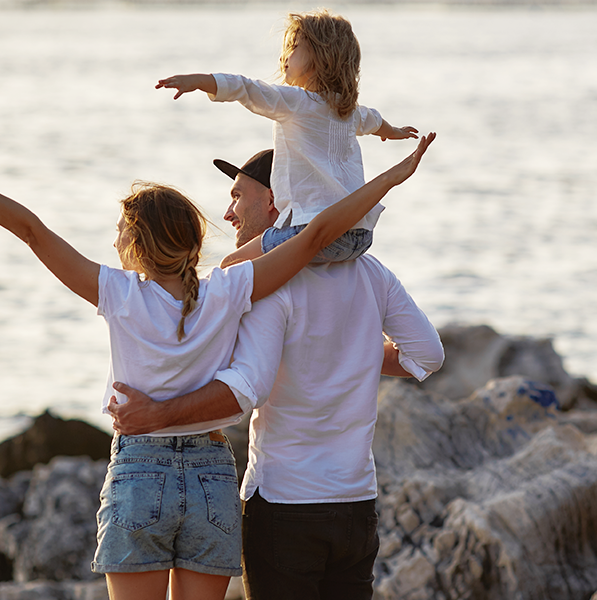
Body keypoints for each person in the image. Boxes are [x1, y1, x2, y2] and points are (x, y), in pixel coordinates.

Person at [0, 128, 435, 600]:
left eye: (121, 229)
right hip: (214, 473)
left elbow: (31, 230)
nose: (114, 239)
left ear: (138, 244)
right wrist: (394, 177)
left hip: (142, 468)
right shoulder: (230, 290)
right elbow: (319, 235)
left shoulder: (117, 293)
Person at [107, 142, 446, 600]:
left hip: (286, 503)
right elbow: (426, 355)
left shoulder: (266, 285)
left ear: (272, 202)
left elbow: (248, 387)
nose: (229, 213)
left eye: (238, 195)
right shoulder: (373, 274)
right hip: (356, 503)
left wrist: (154, 416)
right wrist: (360, 349)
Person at [156, 8, 418, 267]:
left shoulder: (297, 101)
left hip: (314, 232)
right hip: (360, 236)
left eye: (294, 48)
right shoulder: (347, 111)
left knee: (231, 263)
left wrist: (201, 81)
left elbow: (247, 88)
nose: (285, 57)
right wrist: (394, 133)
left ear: (321, 58)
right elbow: (375, 121)